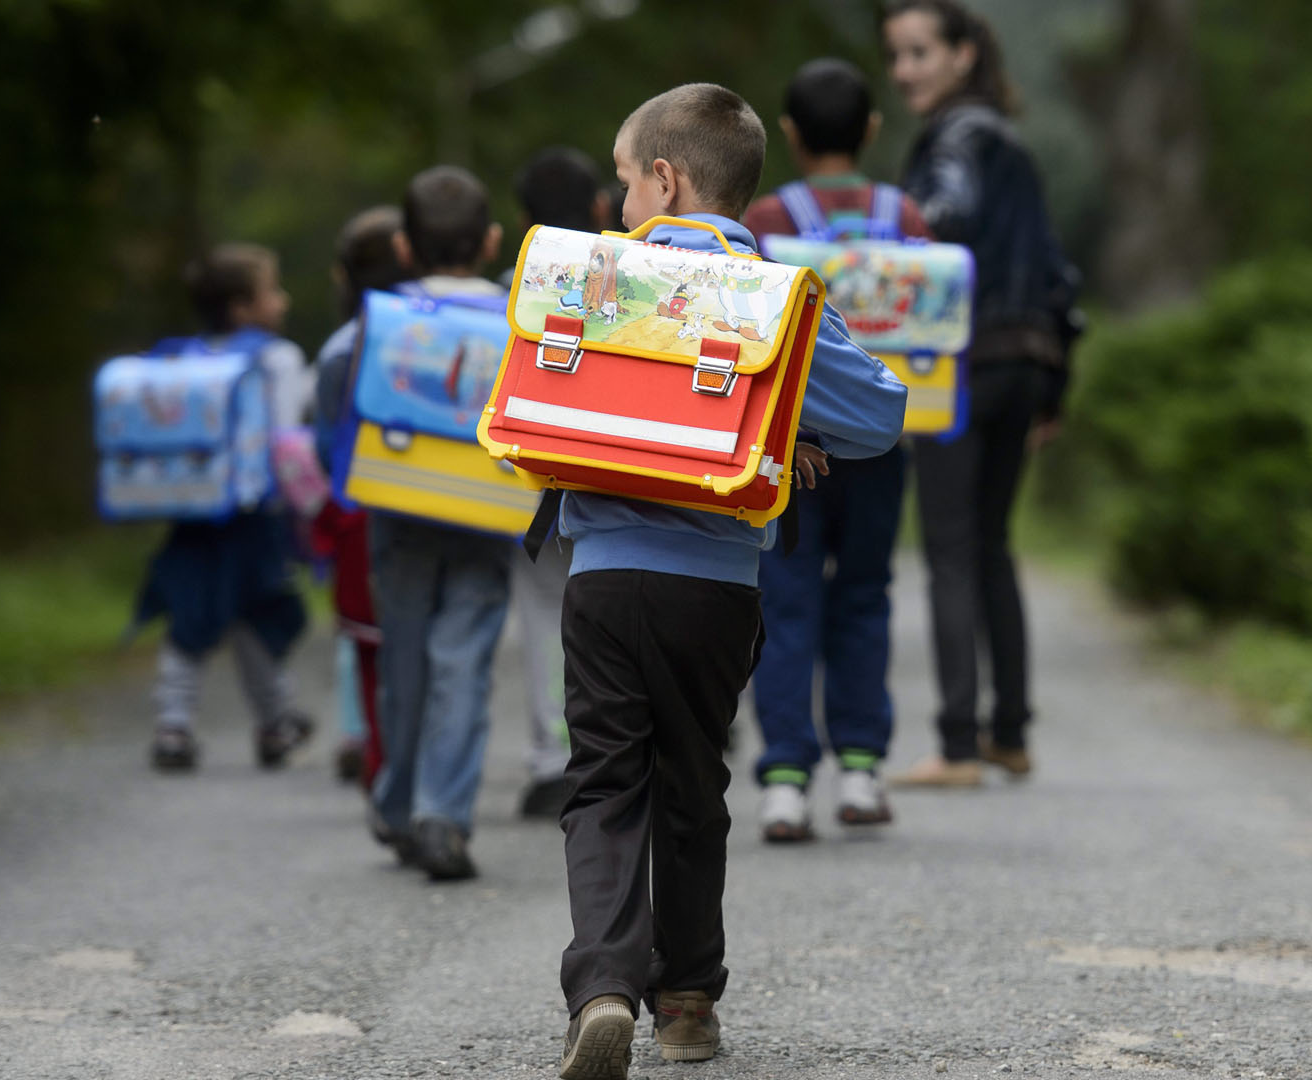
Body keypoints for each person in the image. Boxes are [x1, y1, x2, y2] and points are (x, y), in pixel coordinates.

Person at [554, 83, 907, 1080]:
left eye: (626, 183)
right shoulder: (779, 298)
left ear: (664, 179)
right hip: (716, 586)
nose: (621, 206)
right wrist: (786, 417)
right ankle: (688, 1002)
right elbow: (881, 417)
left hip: (604, 576)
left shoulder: (600, 278)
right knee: (692, 784)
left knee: (602, 783)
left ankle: (604, 989)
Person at [883, 0, 1080, 786]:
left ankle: (958, 746)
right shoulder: (1016, 147)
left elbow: (942, 221)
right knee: (993, 545)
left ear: (964, 55)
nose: (904, 72)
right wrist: (1055, 388)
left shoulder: (956, 139)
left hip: (964, 367)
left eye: (920, 53)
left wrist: (889, 240)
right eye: (897, 57)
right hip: (1028, 359)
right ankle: (1011, 734)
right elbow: (1064, 280)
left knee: (951, 550)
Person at [739, 58, 931, 843]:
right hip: (882, 447)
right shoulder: (908, 217)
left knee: (784, 600)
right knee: (864, 594)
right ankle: (861, 768)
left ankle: (785, 778)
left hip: (792, 446)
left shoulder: (769, 220)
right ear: (873, 129)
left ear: (788, 133)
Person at [317, 167, 514, 883]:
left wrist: (346, 481)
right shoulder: (518, 317)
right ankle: (443, 815)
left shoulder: (375, 322)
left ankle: (396, 803)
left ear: (404, 248)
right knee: (463, 659)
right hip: (489, 513)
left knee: (403, 659)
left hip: (396, 509)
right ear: (491, 242)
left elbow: (332, 405)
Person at [133, 243, 316, 772]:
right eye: (272, 290)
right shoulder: (276, 359)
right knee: (259, 617)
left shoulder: (181, 357)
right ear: (242, 307)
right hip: (255, 517)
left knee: (190, 615)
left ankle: (173, 725)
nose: (281, 301)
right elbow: (283, 439)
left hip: (193, 515)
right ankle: (275, 719)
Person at [504, 147, 614, 820]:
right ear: (604, 207)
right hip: (621, 482)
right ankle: (624, 753)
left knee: (545, 618)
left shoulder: (513, 284)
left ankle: (555, 761)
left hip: (538, 489)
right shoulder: (639, 280)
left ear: (521, 221)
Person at [313, 205, 410, 787]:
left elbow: (328, 449)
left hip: (359, 520)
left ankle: (378, 758)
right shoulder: (442, 332)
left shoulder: (339, 348)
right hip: (435, 510)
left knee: (368, 650)